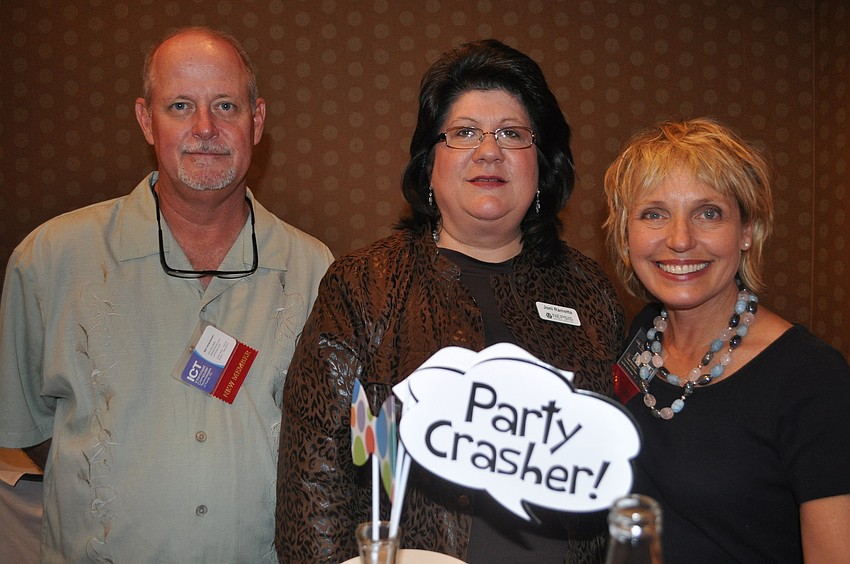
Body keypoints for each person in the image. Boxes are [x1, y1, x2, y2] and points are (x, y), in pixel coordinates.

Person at [275, 39, 625, 564]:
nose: (490, 151)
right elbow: (314, 484)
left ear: (542, 165)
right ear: (430, 164)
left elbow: (617, 470)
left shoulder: (590, 291)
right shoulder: (363, 285)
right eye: (464, 133)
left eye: (512, 133)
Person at [0, 27, 333, 562]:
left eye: (226, 105)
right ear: (145, 120)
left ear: (258, 120)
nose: (206, 128)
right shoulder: (50, 259)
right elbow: (38, 434)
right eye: (180, 106)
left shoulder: (316, 270)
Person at [603, 117, 850, 563]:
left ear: (747, 232)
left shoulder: (812, 380)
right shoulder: (639, 337)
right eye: (654, 214)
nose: (680, 240)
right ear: (626, 236)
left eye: (708, 213)